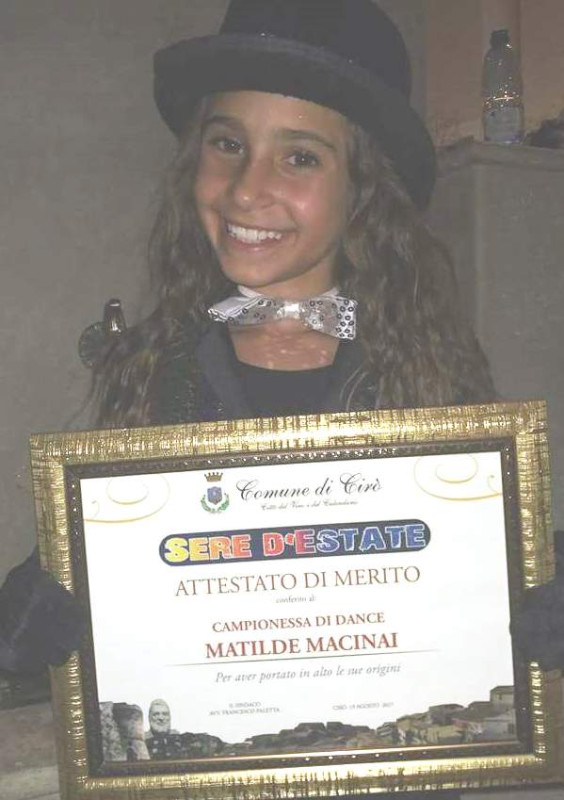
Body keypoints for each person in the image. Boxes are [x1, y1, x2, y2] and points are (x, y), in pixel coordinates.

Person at [0, 0, 563, 795]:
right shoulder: (155, 369)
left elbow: (473, 575)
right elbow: (106, 578)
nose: (246, 188)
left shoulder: (429, 370)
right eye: (227, 143)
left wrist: (531, 579)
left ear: (363, 190)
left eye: (299, 157)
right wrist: (39, 606)